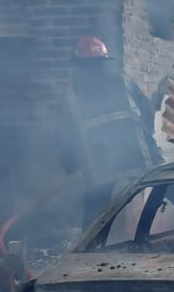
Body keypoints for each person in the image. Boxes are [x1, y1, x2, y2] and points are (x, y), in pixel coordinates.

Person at [63, 38, 157, 227]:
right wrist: (147, 136)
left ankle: (86, 251)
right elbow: (147, 110)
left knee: (94, 210)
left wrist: (70, 165)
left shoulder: (71, 94)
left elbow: (64, 134)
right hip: (138, 155)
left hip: (100, 166)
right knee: (164, 188)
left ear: (78, 64)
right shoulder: (123, 81)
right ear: (104, 61)